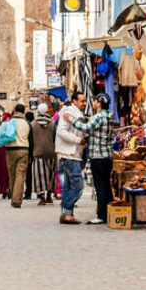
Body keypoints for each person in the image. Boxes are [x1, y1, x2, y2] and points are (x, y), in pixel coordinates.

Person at [65, 93, 115, 225]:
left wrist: (71, 119)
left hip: (98, 156)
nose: (92, 103)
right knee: (106, 185)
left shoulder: (99, 117)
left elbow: (86, 127)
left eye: (94, 101)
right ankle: (109, 212)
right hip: (107, 156)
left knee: (100, 186)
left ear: (98, 103)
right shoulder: (109, 116)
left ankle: (101, 215)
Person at [55, 90, 87, 225]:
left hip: (73, 154)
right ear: (75, 101)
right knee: (78, 186)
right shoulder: (68, 112)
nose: (85, 103)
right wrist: (78, 140)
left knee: (68, 186)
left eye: (85, 101)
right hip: (69, 154)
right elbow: (61, 132)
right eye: (82, 101)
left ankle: (67, 214)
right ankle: (66, 210)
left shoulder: (75, 113)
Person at [4, 103, 31, 209]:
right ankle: (17, 199)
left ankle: (12, 197)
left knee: (12, 174)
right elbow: (31, 139)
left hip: (10, 149)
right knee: (20, 174)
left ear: (14, 110)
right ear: (23, 111)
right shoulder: (26, 123)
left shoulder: (9, 122)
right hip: (23, 149)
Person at [30, 103, 57, 205]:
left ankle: (41, 197)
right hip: (51, 151)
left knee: (39, 175)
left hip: (38, 152)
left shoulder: (33, 124)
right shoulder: (53, 123)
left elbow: (31, 140)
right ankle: (49, 196)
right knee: (50, 174)